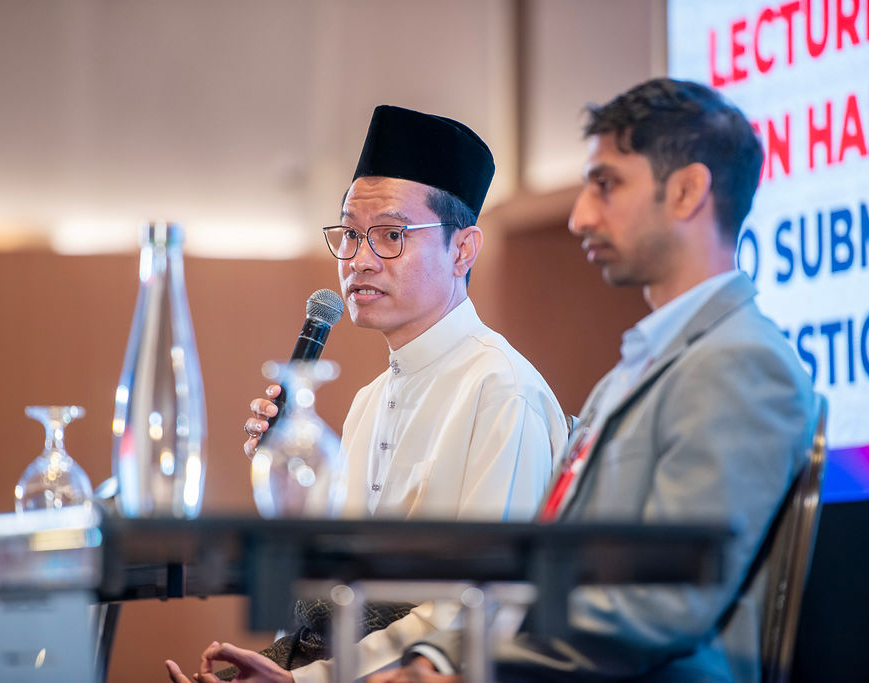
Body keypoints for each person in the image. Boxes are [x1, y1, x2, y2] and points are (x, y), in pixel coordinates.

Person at [371, 78, 816, 682]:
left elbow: (662, 603)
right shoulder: (636, 371)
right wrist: (436, 657)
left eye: (606, 184)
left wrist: (461, 671)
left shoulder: (740, 362)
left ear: (688, 191)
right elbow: (536, 574)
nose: (580, 216)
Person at [166, 105, 569, 683]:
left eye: (391, 236)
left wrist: (306, 681)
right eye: (352, 234)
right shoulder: (368, 401)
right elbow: (335, 597)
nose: (358, 260)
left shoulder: (502, 390)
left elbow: (477, 609)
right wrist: (293, 495)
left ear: (463, 249)